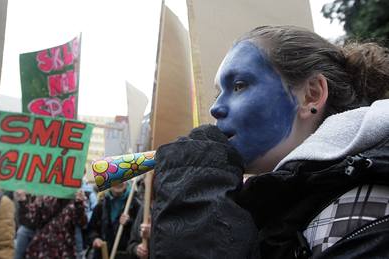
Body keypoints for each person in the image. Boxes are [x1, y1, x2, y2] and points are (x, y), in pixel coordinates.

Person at [151, 25, 389, 259]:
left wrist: (195, 205)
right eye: (218, 93)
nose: (215, 108)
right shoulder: (290, 207)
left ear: (311, 95)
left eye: (239, 86)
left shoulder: (372, 215)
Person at [87, 181, 140, 259]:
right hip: (103, 254)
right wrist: (95, 239)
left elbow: (141, 232)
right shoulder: (100, 205)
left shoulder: (135, 205)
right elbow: (91, 229)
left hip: (126, 255)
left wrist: (130, 223)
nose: (118, 182)